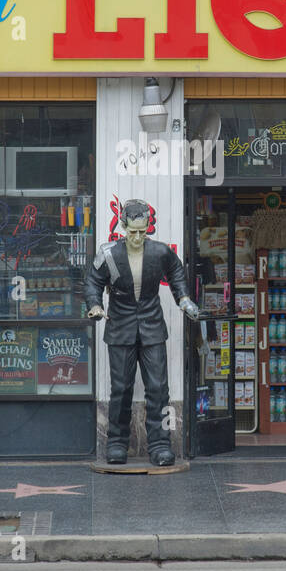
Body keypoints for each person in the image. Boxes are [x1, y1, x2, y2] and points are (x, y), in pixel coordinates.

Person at [85, 199, 199, 466]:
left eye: (142, 231)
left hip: (152, 326)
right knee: (121, 388)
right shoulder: (109, 253)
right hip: (120, 326)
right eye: (132, 231)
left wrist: (183, 299)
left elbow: (177, 274)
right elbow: (92, 281)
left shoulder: (160, 252)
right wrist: (94, 305)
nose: (137, 237)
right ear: (123, 226)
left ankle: (160, 446)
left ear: (148, 226)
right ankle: (116, 443)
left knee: (158, 389)